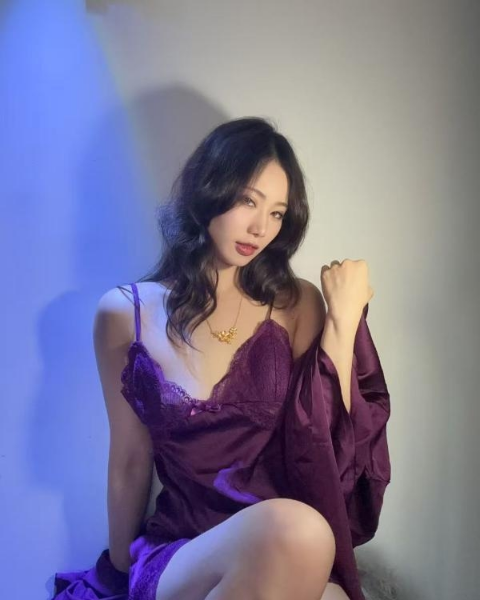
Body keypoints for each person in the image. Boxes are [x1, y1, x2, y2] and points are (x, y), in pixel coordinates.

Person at [52, 117, 391, 600]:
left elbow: (327, 448)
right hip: (182, 553)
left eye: (277, 213)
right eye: (249, 201)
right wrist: (120, 570)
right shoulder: (126, 313)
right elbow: (129, 458)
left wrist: (344, 320)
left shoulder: (296, 304)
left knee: (318, 568)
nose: (260, 228)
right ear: (211, 188)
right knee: (303, 532)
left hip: (284, 546)